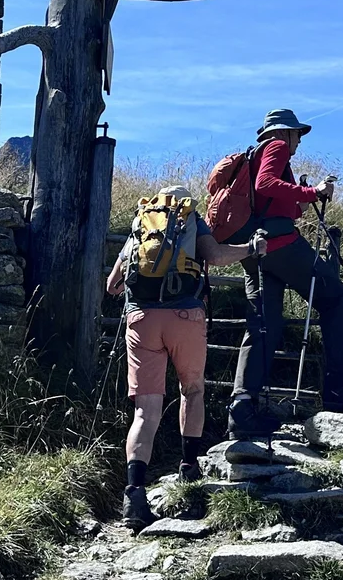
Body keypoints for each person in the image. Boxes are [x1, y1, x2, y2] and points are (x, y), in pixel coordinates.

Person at [105, 184, 268, 529]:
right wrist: (251, 248)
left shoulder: (141, 221)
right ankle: (188, 468)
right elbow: (216, 256)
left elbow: (112, 284)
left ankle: (134, 495)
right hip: (185, 317)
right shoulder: (190, 218)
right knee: (192, 390)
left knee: (144, 411)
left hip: (141, 320)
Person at [228, 109, 343, 438]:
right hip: (281, 245)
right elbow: (266, 184)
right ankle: (340, 389)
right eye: (298, 134)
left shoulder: (253, 154)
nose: (298, 141)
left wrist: (299, 199)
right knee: (335, 298)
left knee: (263, 325)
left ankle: (242, 410)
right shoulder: (277, 146)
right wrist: (315, 192)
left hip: (254, 250)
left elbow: (270, 198)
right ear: (287, 132)